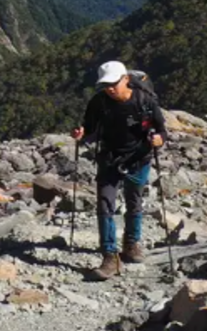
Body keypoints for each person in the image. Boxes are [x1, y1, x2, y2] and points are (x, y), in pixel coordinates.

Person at [71, 60, 167, 281]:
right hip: (110, 159)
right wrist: (82, 134)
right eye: (106, 84)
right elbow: (91, 129)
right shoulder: (99, 102)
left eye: (114, 83)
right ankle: (109, 256)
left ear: (125, 79)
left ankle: (131, 244)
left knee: (134, 203)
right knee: (105, 206)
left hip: (138, 159)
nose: (110, 88)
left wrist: (159, 139)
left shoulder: (145, 101)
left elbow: (161, 129)